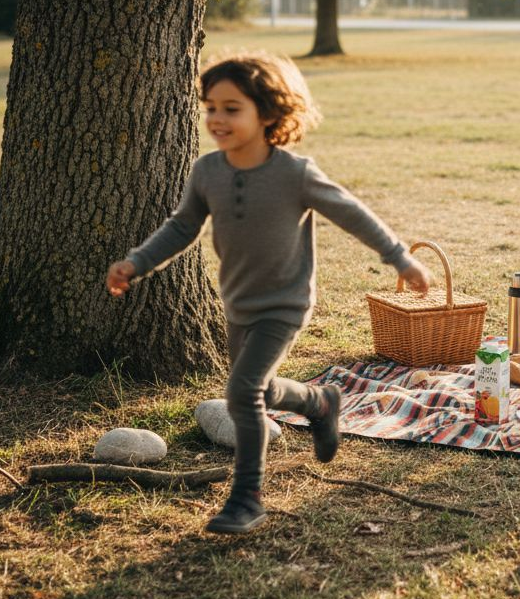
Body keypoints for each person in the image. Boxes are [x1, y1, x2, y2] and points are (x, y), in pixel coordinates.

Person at [106, 52, 432, 535]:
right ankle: (320, 402)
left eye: (232, 108)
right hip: (238, 302)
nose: (217, 118)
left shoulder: (294, 173)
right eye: (210, 106)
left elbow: (353, 213)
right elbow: (181, 228)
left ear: (270, 114)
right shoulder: (207, 172)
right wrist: (137, 262)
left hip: (285, 304)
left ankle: (247, 498)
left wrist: (400, 256)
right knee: (259, 389)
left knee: (241, 393)